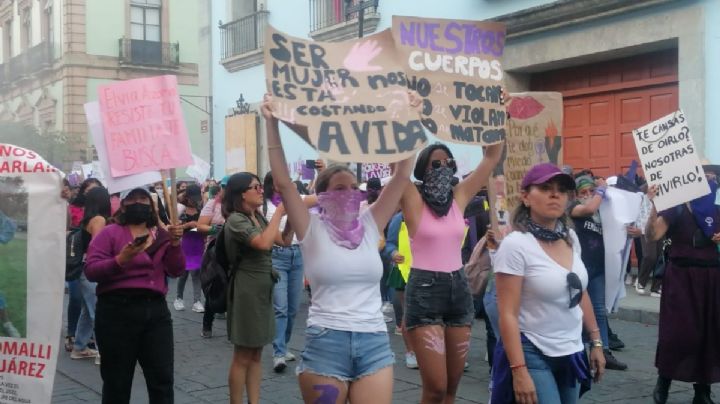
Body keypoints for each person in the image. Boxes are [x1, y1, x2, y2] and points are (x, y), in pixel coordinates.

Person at [263, 93, 414, 404]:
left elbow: (401, 176)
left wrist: (407, 117)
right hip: (326, 342)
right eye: (339, 188)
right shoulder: (311, 228)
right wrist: (271, 123)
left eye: (353, 188)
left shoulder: (371, 221)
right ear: (323, 196)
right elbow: (284, 184)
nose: (349, 193)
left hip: (373, 342)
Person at [492, 163, 606, 404]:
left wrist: (596, 342)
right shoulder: (516, 245)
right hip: (533, 351)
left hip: (572, 349)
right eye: (545, 188)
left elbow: (579, 292)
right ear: (525, 197)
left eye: (562, 190)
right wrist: (519, 370)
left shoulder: (571, 237)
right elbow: (507, 314)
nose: (555, 194)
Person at [400, 141, 502, 403]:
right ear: (422, 168)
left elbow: (491, 158)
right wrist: (404, 116)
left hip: (459, 289)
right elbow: (398, 164)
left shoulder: (458, 197)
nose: (443, 168)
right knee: (435, 387)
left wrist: (496, 120)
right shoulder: (413, 199)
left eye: (448, 163)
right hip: (425, 291)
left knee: (451, 388)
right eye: (436, 164)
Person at [85, 187, 185, 404]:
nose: (138, 203)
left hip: (155, 313)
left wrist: (176, 245)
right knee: (117, 383)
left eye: (143, 199)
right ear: (122, 205)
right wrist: (121, 259)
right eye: (132, 199)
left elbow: (176, 270)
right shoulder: (110, 233)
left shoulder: (162, 235)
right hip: (117, 313)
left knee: (162, 380)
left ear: (152, 205)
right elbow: (91, 271)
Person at [648, 177, 720, 404]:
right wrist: (653, 204)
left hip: (711, 275)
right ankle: (664, 382)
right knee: (676, 333)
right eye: (704, 174)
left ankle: (703, 391)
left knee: (708, 333)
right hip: (680, 275)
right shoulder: (676, 203)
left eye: (712, 175)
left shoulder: (717, 205)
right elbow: (653, 235)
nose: (709, 179)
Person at [223, 172, 286, 404]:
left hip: (262, 288)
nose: (261, 190)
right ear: (242, 193)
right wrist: (280, 212)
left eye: (260, 186)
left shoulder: (256, 216)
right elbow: (262, 243)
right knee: (243, 354)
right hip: (246, 290)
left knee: (257, 352)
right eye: (256, 187)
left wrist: (289, 222)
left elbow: (283, 240)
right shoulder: (236, 219)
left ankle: (255, 401)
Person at [569, 174, 628, 371]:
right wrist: (602, 190)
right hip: (580, 269)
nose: (587, 195)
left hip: (599, 267)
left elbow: (620, 226)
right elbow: (588, 209)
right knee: (577, 311)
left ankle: (604, 351)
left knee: (600, 310)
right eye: (582, 192)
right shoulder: (573, 209)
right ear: (576, 195)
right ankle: (577, 350)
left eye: (590, 191)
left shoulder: (603, 212)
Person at [263, 172, 307, 373]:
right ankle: (278, 352)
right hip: (277, 255)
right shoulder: (266, 207)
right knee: (280, 307)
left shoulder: (296, 200)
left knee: (292, 308)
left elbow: (315, 201)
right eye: (280, 183)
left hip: (297, 255)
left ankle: (284, 344)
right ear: (272, 185)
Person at [71, 186, 111, 363]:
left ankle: (79, 347)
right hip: (91, 269)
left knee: (87, 310)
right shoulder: (99, 219)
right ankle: (103, 352)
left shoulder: (87, 219)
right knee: (98, 311)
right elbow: (97, 246)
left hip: (82, 268)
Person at [383, 210, 418, 369]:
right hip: (404, 268)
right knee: (408, 312)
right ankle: (411, 352)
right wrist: (394, 252)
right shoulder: (400, 217)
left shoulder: (434, 212)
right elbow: (389, 243)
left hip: (431, 267)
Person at [197, 175, 229, 338]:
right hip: (214, 253)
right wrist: (213, 229)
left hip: (234, 254)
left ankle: (234, 330)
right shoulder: (212, 204)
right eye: (223, 187)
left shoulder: (242, 205)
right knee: (214, 289)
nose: (225, 190)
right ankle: (207, 325)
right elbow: (200, 225)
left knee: (234, 289)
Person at [174, 184, 206, 313]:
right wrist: (189, 224)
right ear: (187, 197)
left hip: (198, 243)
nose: (195, 200)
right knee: (183, 273)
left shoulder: (202, 210)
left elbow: (205, 226)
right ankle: (178, 298)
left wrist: (200, 227)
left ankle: (197, 301)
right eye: (193, 198)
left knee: (196, 273)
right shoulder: (180, 209)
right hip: (185, 243)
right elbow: (176, 228)